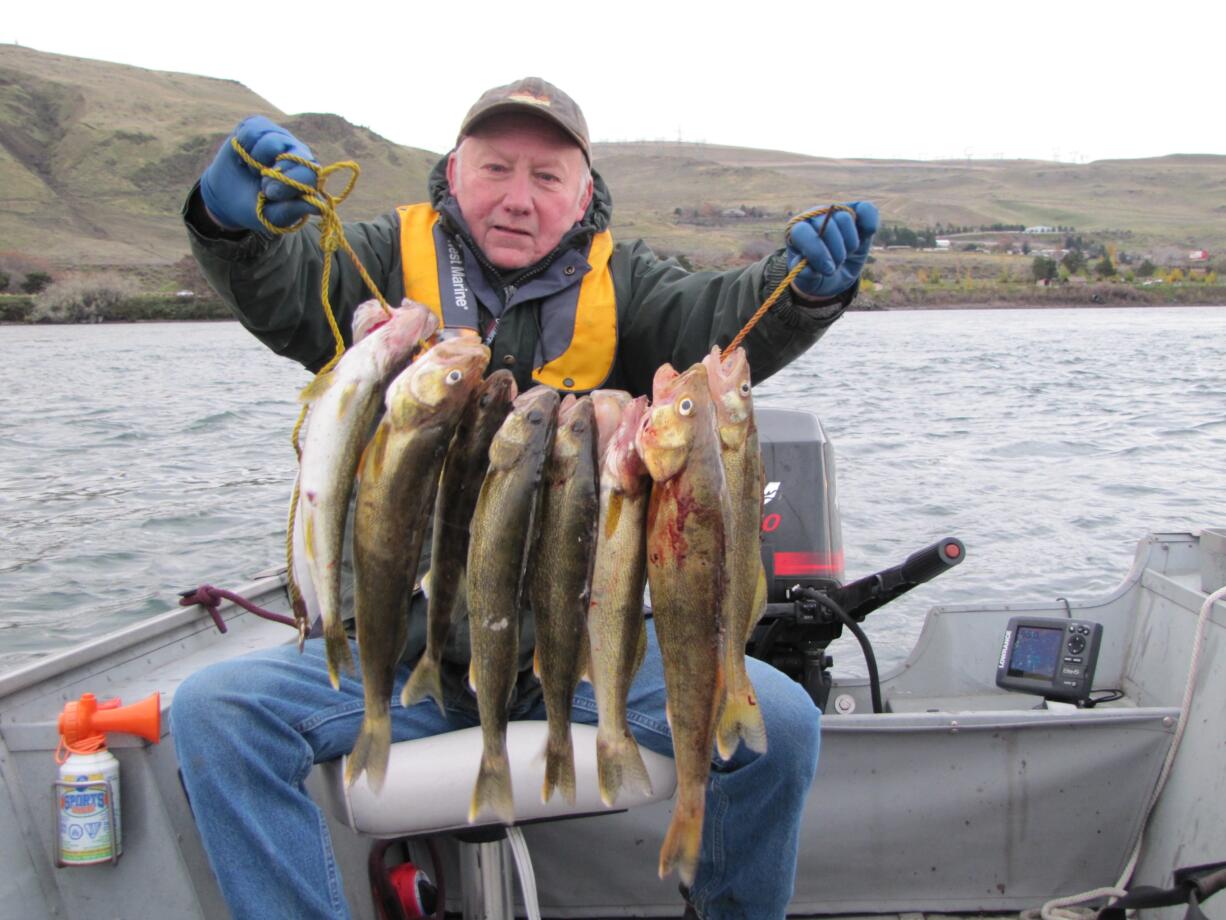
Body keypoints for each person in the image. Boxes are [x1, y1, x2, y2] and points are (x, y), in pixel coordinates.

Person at [172, 77, 878, 920]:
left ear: (584, 193)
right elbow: (289, 282)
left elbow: (721, 317)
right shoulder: (383, 255)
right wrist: (232, 226)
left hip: (577, 653)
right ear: (452, 171)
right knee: (214, 715)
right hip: (401, 651)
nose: (517, 198)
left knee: (786, 728)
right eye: (496, 168)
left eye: (546, 177)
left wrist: (802, 291)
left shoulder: (631, 286)